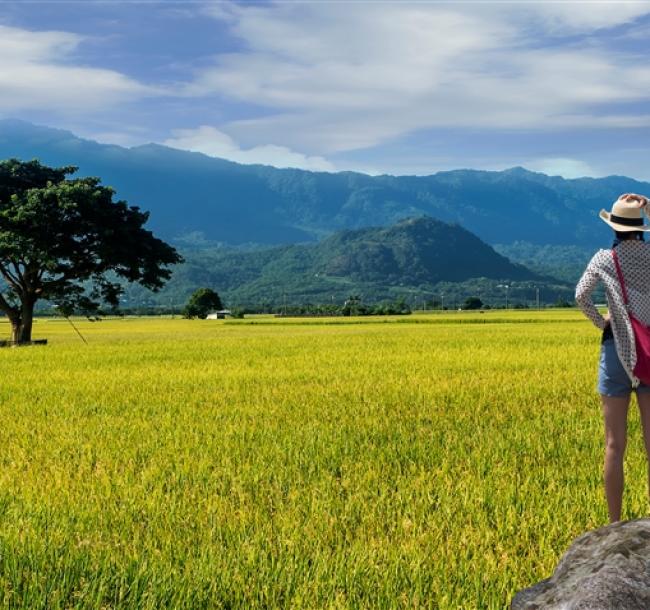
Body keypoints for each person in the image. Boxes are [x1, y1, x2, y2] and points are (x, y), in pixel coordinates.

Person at [576, 192, 650, 523]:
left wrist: (602, 321)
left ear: (614, 227)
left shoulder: (604, 258)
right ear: (642, 227)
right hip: (648, 356)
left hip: (614, 353)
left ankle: (615, 523)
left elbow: (580, 295)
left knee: (614, 446)